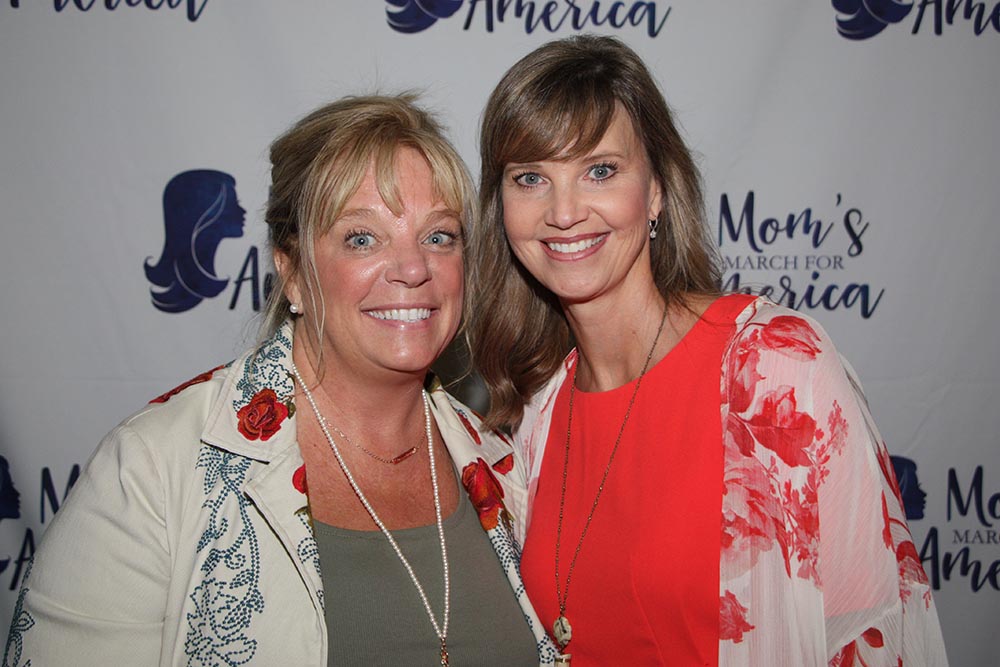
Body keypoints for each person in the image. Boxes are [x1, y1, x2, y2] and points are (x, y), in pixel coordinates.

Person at [4, 95, 548, 666]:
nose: (414, 269)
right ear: (291, 273)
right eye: (362, 238)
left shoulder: (501, 463)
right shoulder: (153, 468)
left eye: (439, 236)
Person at [469, 35, 948, 666]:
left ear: (656, 191)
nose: (563, 211)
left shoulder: (775, 369)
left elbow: (877, 636)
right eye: (530, 178)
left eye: (600, 171)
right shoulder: (539, 413)